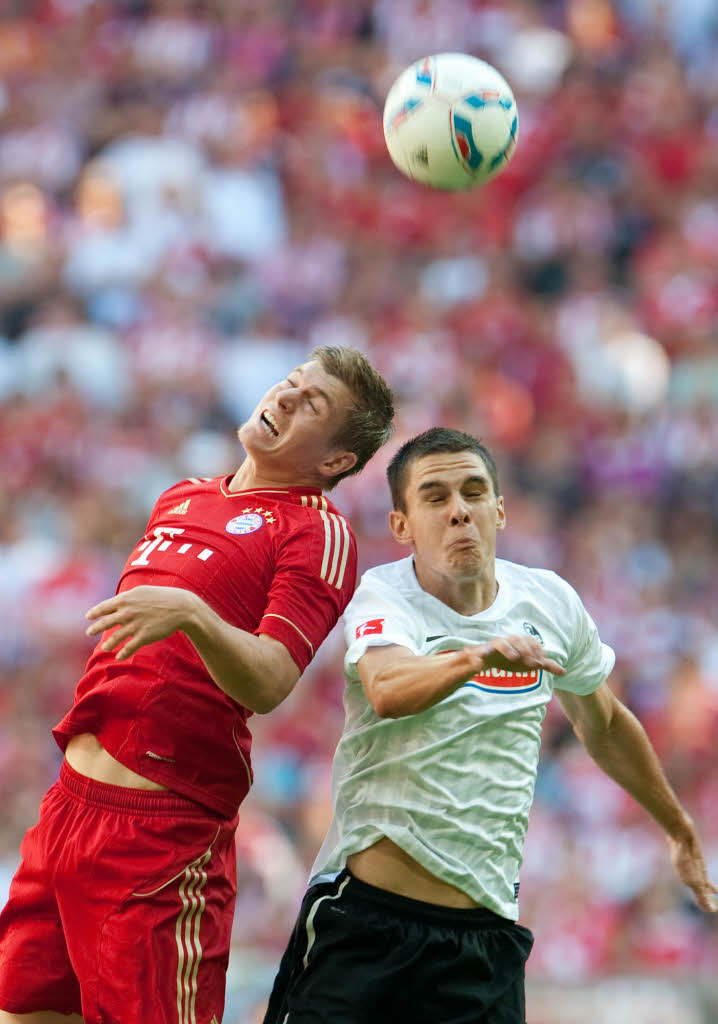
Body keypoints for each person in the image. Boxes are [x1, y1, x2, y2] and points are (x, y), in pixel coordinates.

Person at [264, 427, 717, 1024]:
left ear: (499, 510)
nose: (458, 512)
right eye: (434, 497)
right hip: (366, 927)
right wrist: (477, 657)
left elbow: (603, 723)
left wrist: (678, 828)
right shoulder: (386, 596)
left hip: (485, 942)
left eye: (473, 492)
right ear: (402, 525)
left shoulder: (549, 603)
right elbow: (389, 689)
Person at [0, 347, 394, 1024]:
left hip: (160, 838)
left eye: (313, 405)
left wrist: (192, 615)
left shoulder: (316, 528)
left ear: (334, 461)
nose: (286, 398)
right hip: (67, 810)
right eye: (292, 385)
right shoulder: (183, 497)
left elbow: (272, 679)